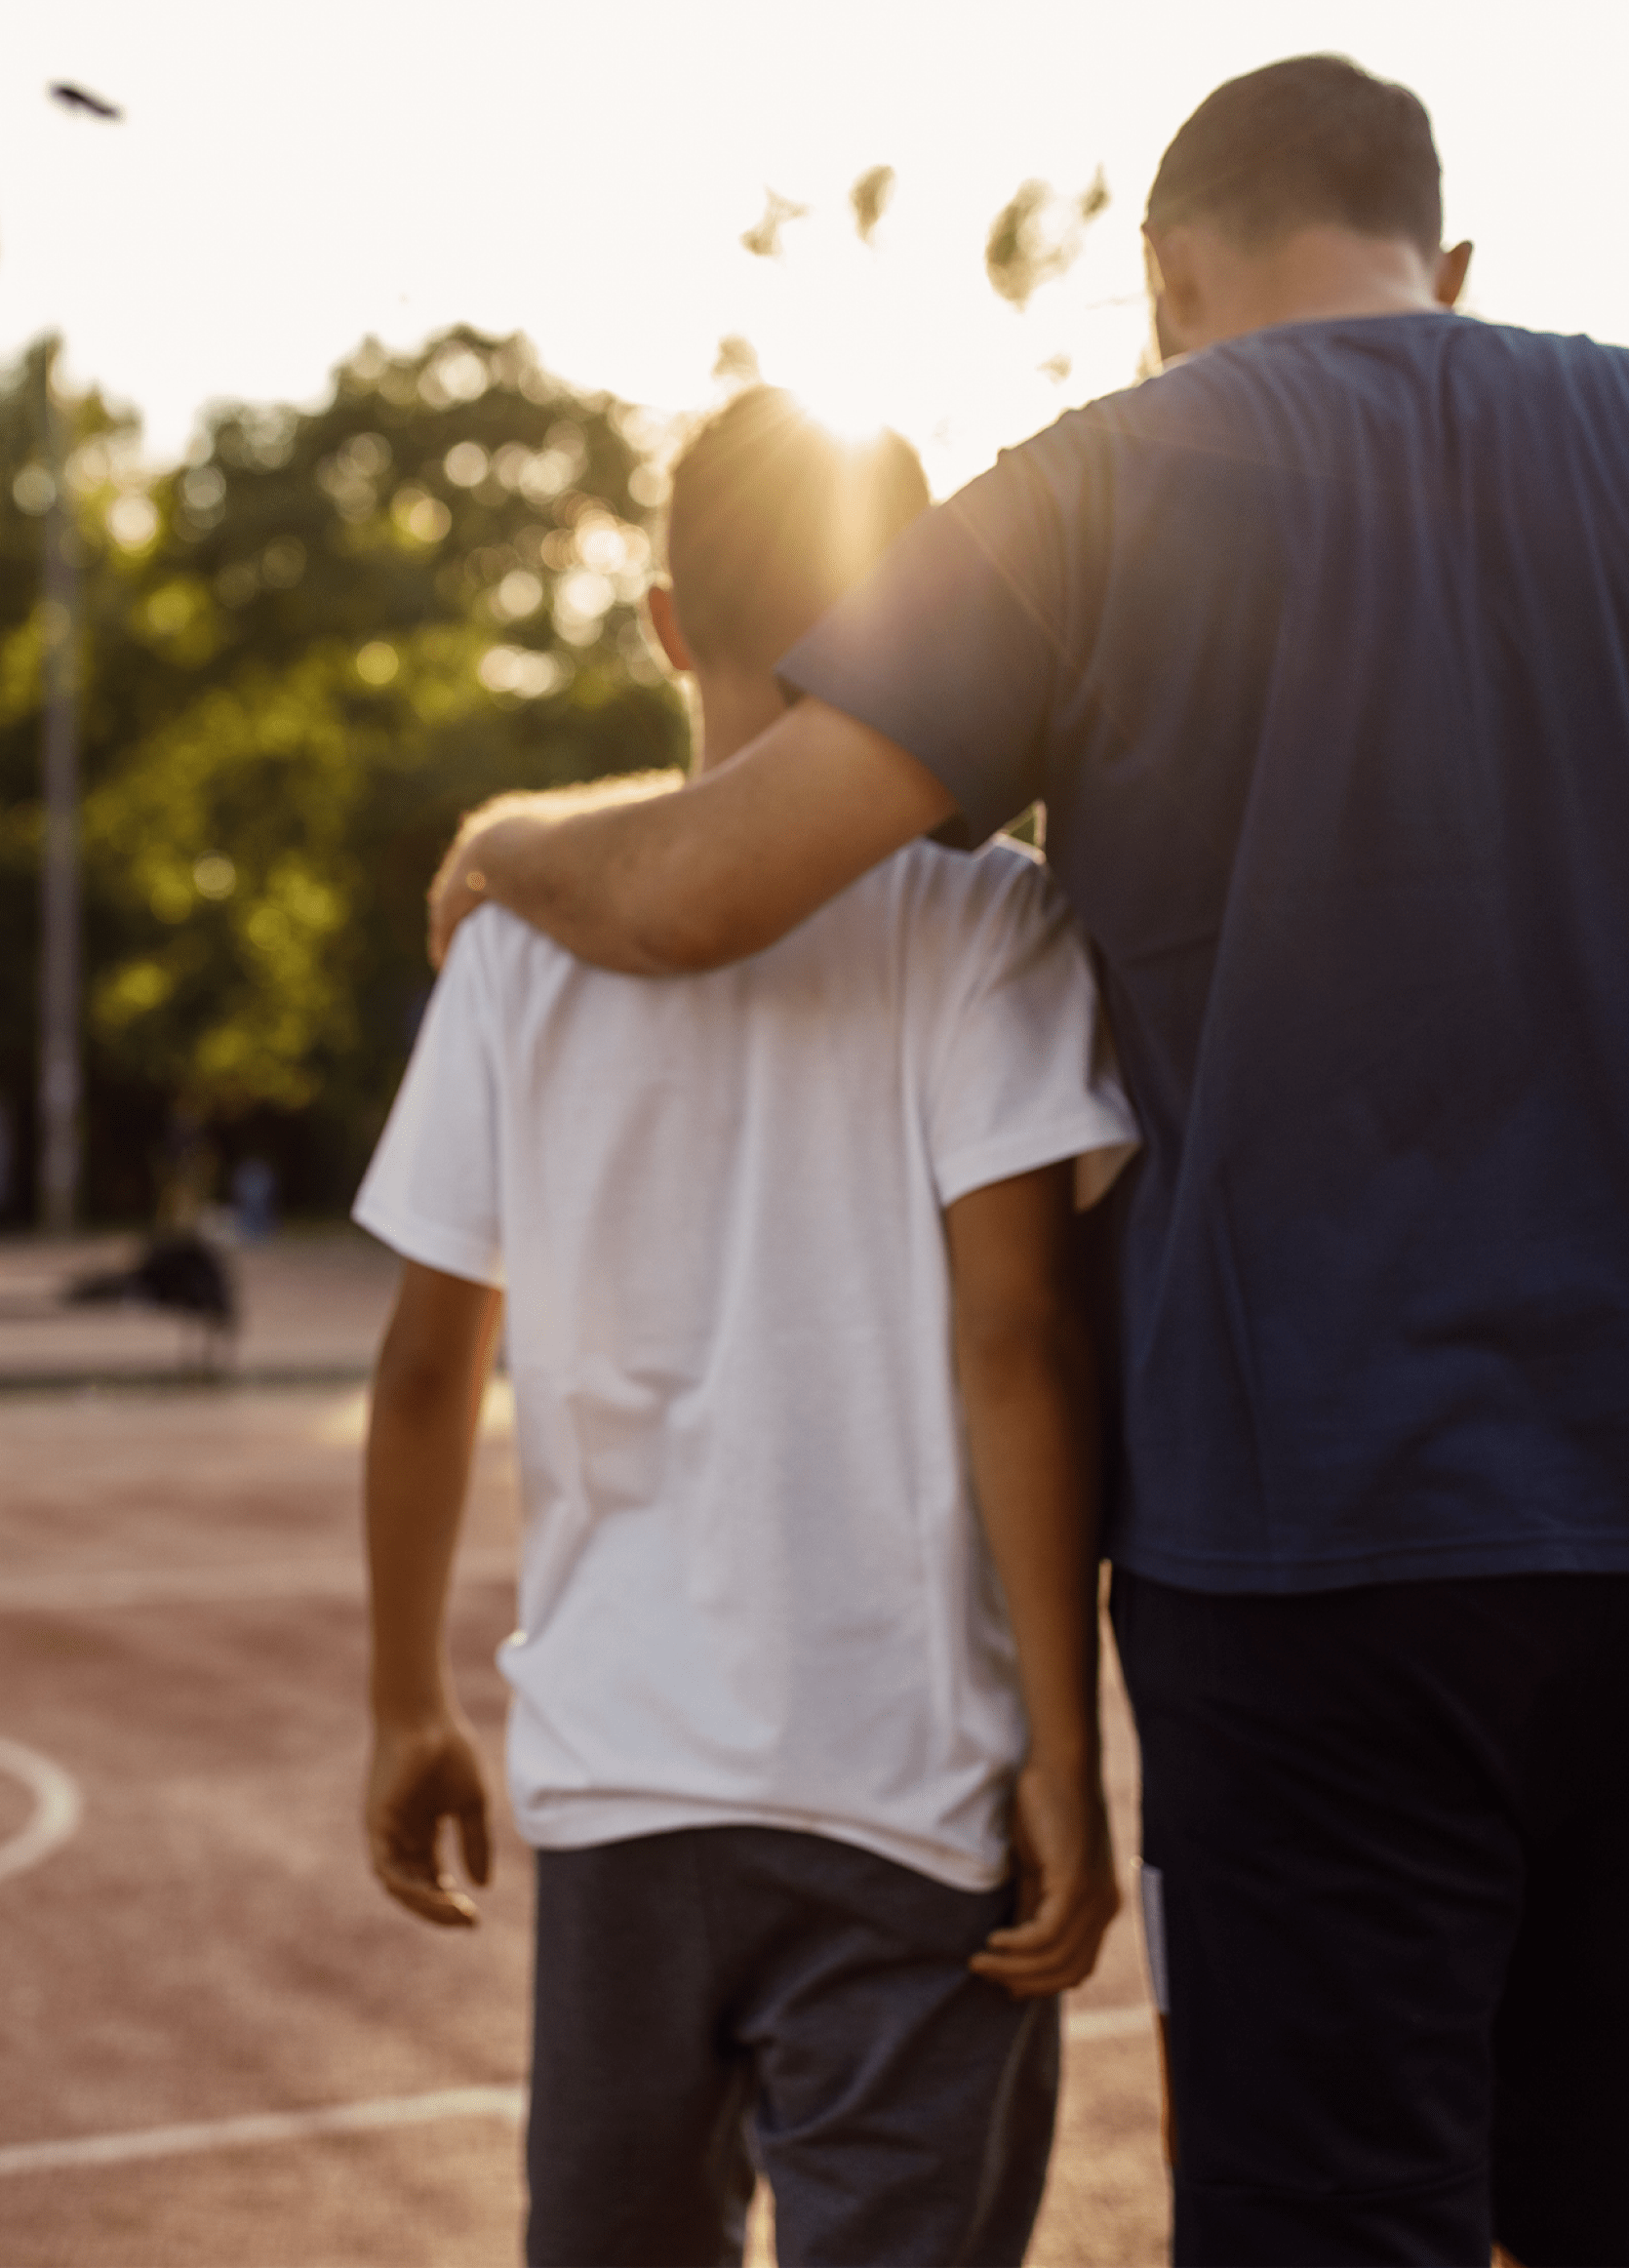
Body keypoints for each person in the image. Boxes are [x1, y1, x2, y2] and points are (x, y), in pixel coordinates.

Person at [425, 58, 1629, 2267]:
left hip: (1316, 1550)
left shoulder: (1097, 489)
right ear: (1447, 262)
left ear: (1167, 284)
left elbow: (717, 882)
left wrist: (503, 839)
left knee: (1328, 2223)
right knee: (1611, 2212)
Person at [357, 387, 1136, 2267]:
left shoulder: (515, 945)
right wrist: (1066, 1748)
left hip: (627, 1785)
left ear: (666, 625)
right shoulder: (988, 926)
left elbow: (423, 1368)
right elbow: (1020, 1341)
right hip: (911, 1794)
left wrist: (403, 1701)